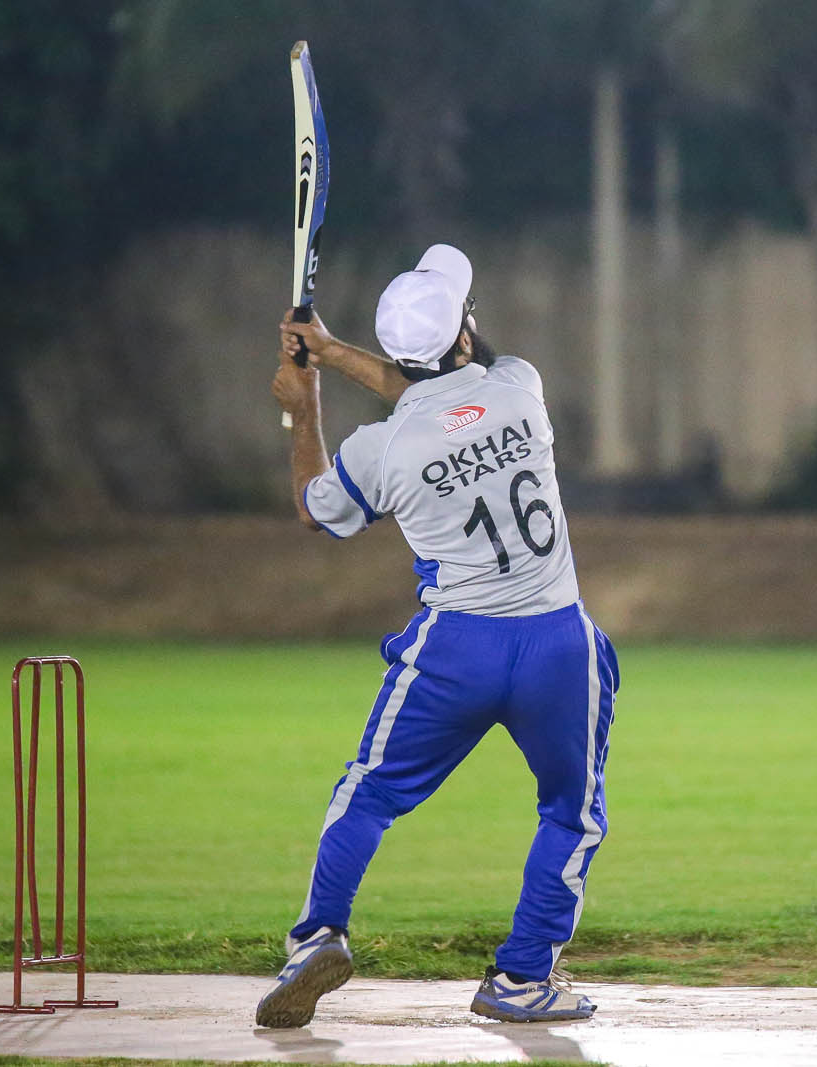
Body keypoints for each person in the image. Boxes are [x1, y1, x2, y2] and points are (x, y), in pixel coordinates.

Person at [257, 244, 618, 1029]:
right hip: (557, 643)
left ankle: (317, 934)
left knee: (368, 792)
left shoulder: (383, 449)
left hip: (456, 649)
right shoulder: (519, 386)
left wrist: (306, 402)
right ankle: (523, 978)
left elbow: (316, 506)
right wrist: (333, 352)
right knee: (572, 812)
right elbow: (444, 390)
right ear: (464, 335)